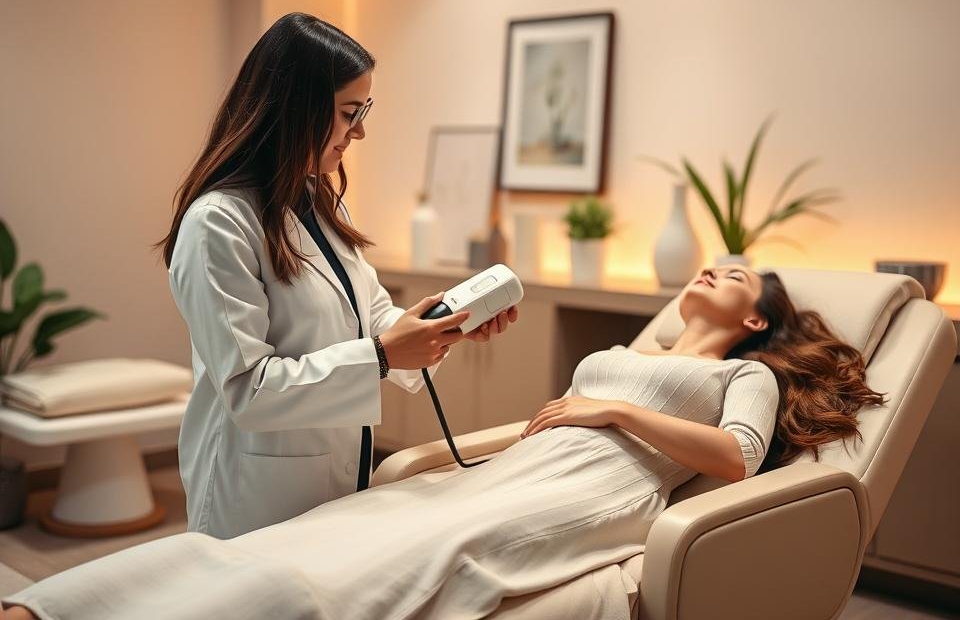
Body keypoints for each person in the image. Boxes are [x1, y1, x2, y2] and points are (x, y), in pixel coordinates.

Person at [1, 264, 885, 620]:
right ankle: (61, 608)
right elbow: (555, 419)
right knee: (319, 534)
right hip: (517, 469)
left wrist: (612, 414)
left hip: (590, 496)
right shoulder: (623, 351)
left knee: (348, 575)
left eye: (733, 275)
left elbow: (732, 458)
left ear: (757, 316)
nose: (710, 269)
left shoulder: (748, 378)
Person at [159, 12, 518, 538]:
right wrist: (382, 356)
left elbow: (372, 314)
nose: (361, 130)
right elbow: (247, 389)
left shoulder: (321, 205)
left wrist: (443, 328)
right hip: (254, 494)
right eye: (351, 111)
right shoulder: (217, 223)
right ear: (296, 108)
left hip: (333, 482)